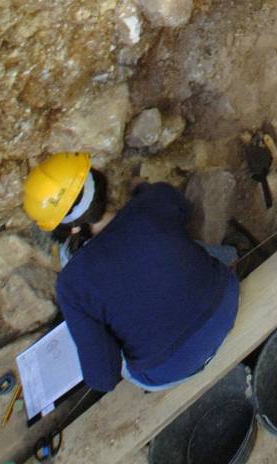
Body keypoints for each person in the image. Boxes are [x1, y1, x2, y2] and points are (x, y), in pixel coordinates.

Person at [24, 152, 240, 394]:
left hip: (169, 369)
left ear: (71, 229)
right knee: (180, 244)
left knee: (124, 353)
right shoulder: (154, 200)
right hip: (226, 303)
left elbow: (104, 378)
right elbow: (183, 210)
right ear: (99, 184)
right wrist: (142, 194)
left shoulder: (73, 284)